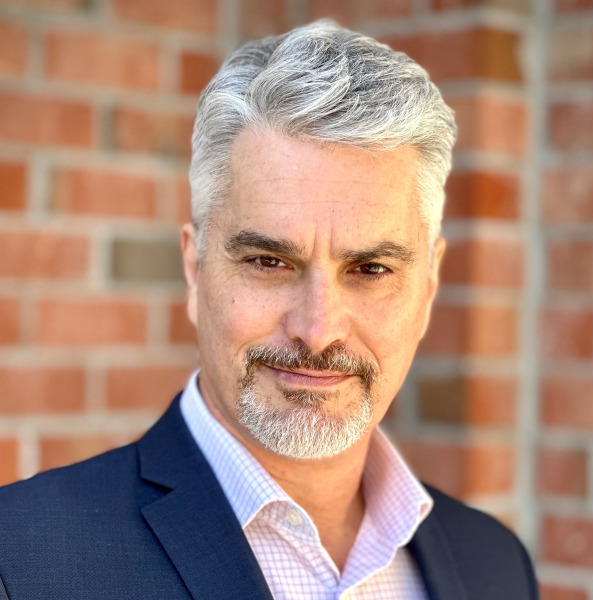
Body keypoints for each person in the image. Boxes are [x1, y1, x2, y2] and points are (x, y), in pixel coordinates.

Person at [0, 21, 538, 600]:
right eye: (268, 261)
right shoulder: (23, 561)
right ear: (195, 267)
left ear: (428, 284)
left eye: (370, 269)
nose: (318, 329)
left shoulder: (494, 565)